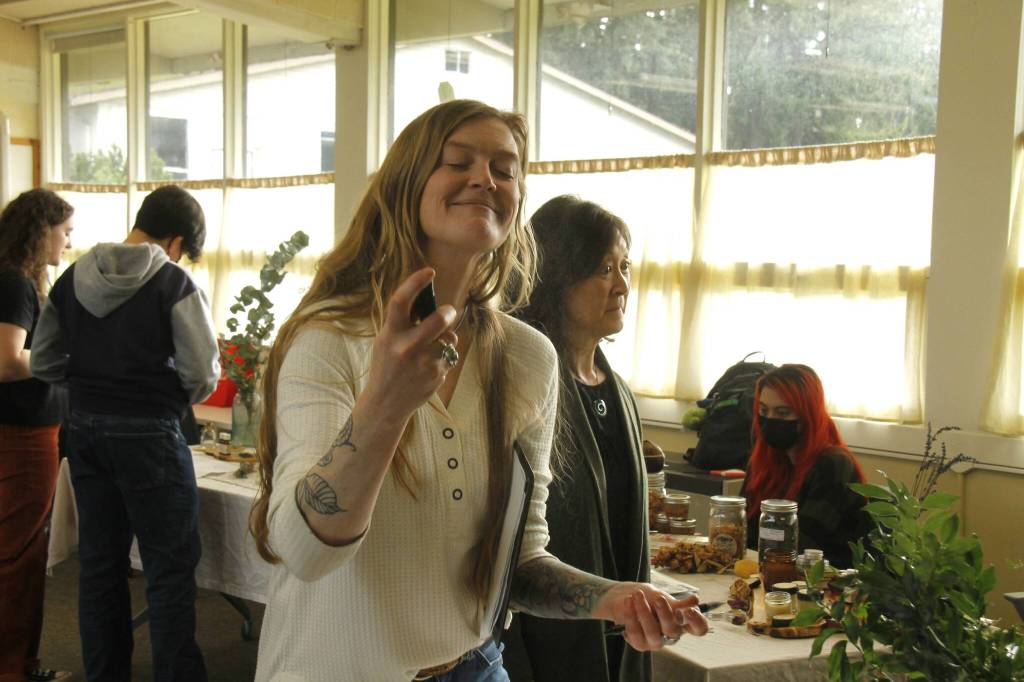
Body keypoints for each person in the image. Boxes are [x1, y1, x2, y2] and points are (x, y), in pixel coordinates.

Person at [249, 100, 707, 682]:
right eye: (457, 161)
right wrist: (385, 405)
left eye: (506, 169)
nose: (484, 178)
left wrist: (610, 597)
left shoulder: (528, 355)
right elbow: (303, 550)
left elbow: (519, 561)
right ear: (407, 185)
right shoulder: (330, 339)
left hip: (475, 667)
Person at [30, 185, 220, 682]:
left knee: (100, 568)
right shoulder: (174, 283)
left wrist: (92, 380)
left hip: (86, 431)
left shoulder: (71, 278)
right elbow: (203, 377)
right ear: (176, 242)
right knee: (168, 574)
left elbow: (46, 361)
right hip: (151, 434)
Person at [501, 195, 651, 682]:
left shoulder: (617, 390)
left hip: (613, 629)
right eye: (604, 269)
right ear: (558, 276)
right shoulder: (520, 377)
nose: (623, 285)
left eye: (625, 266)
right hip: (537, 633)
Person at [0, 189, 74, 682]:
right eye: (65, 231)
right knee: (19, 554)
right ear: (41, 228)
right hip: (24, 434)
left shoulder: (16, 280)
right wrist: (69, 362)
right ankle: (14, 669)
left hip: (29, 430)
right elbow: (8, 361)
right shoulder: (14, 283)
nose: (69, 241)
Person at [742, 364, 869, 568]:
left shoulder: (833, 464)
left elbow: (804, 543)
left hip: (824, 581)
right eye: (764, 410)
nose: (771, 420)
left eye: (783, 413)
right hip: (773, 570)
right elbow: (746, 528)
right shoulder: (765, 462)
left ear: (807, 414)